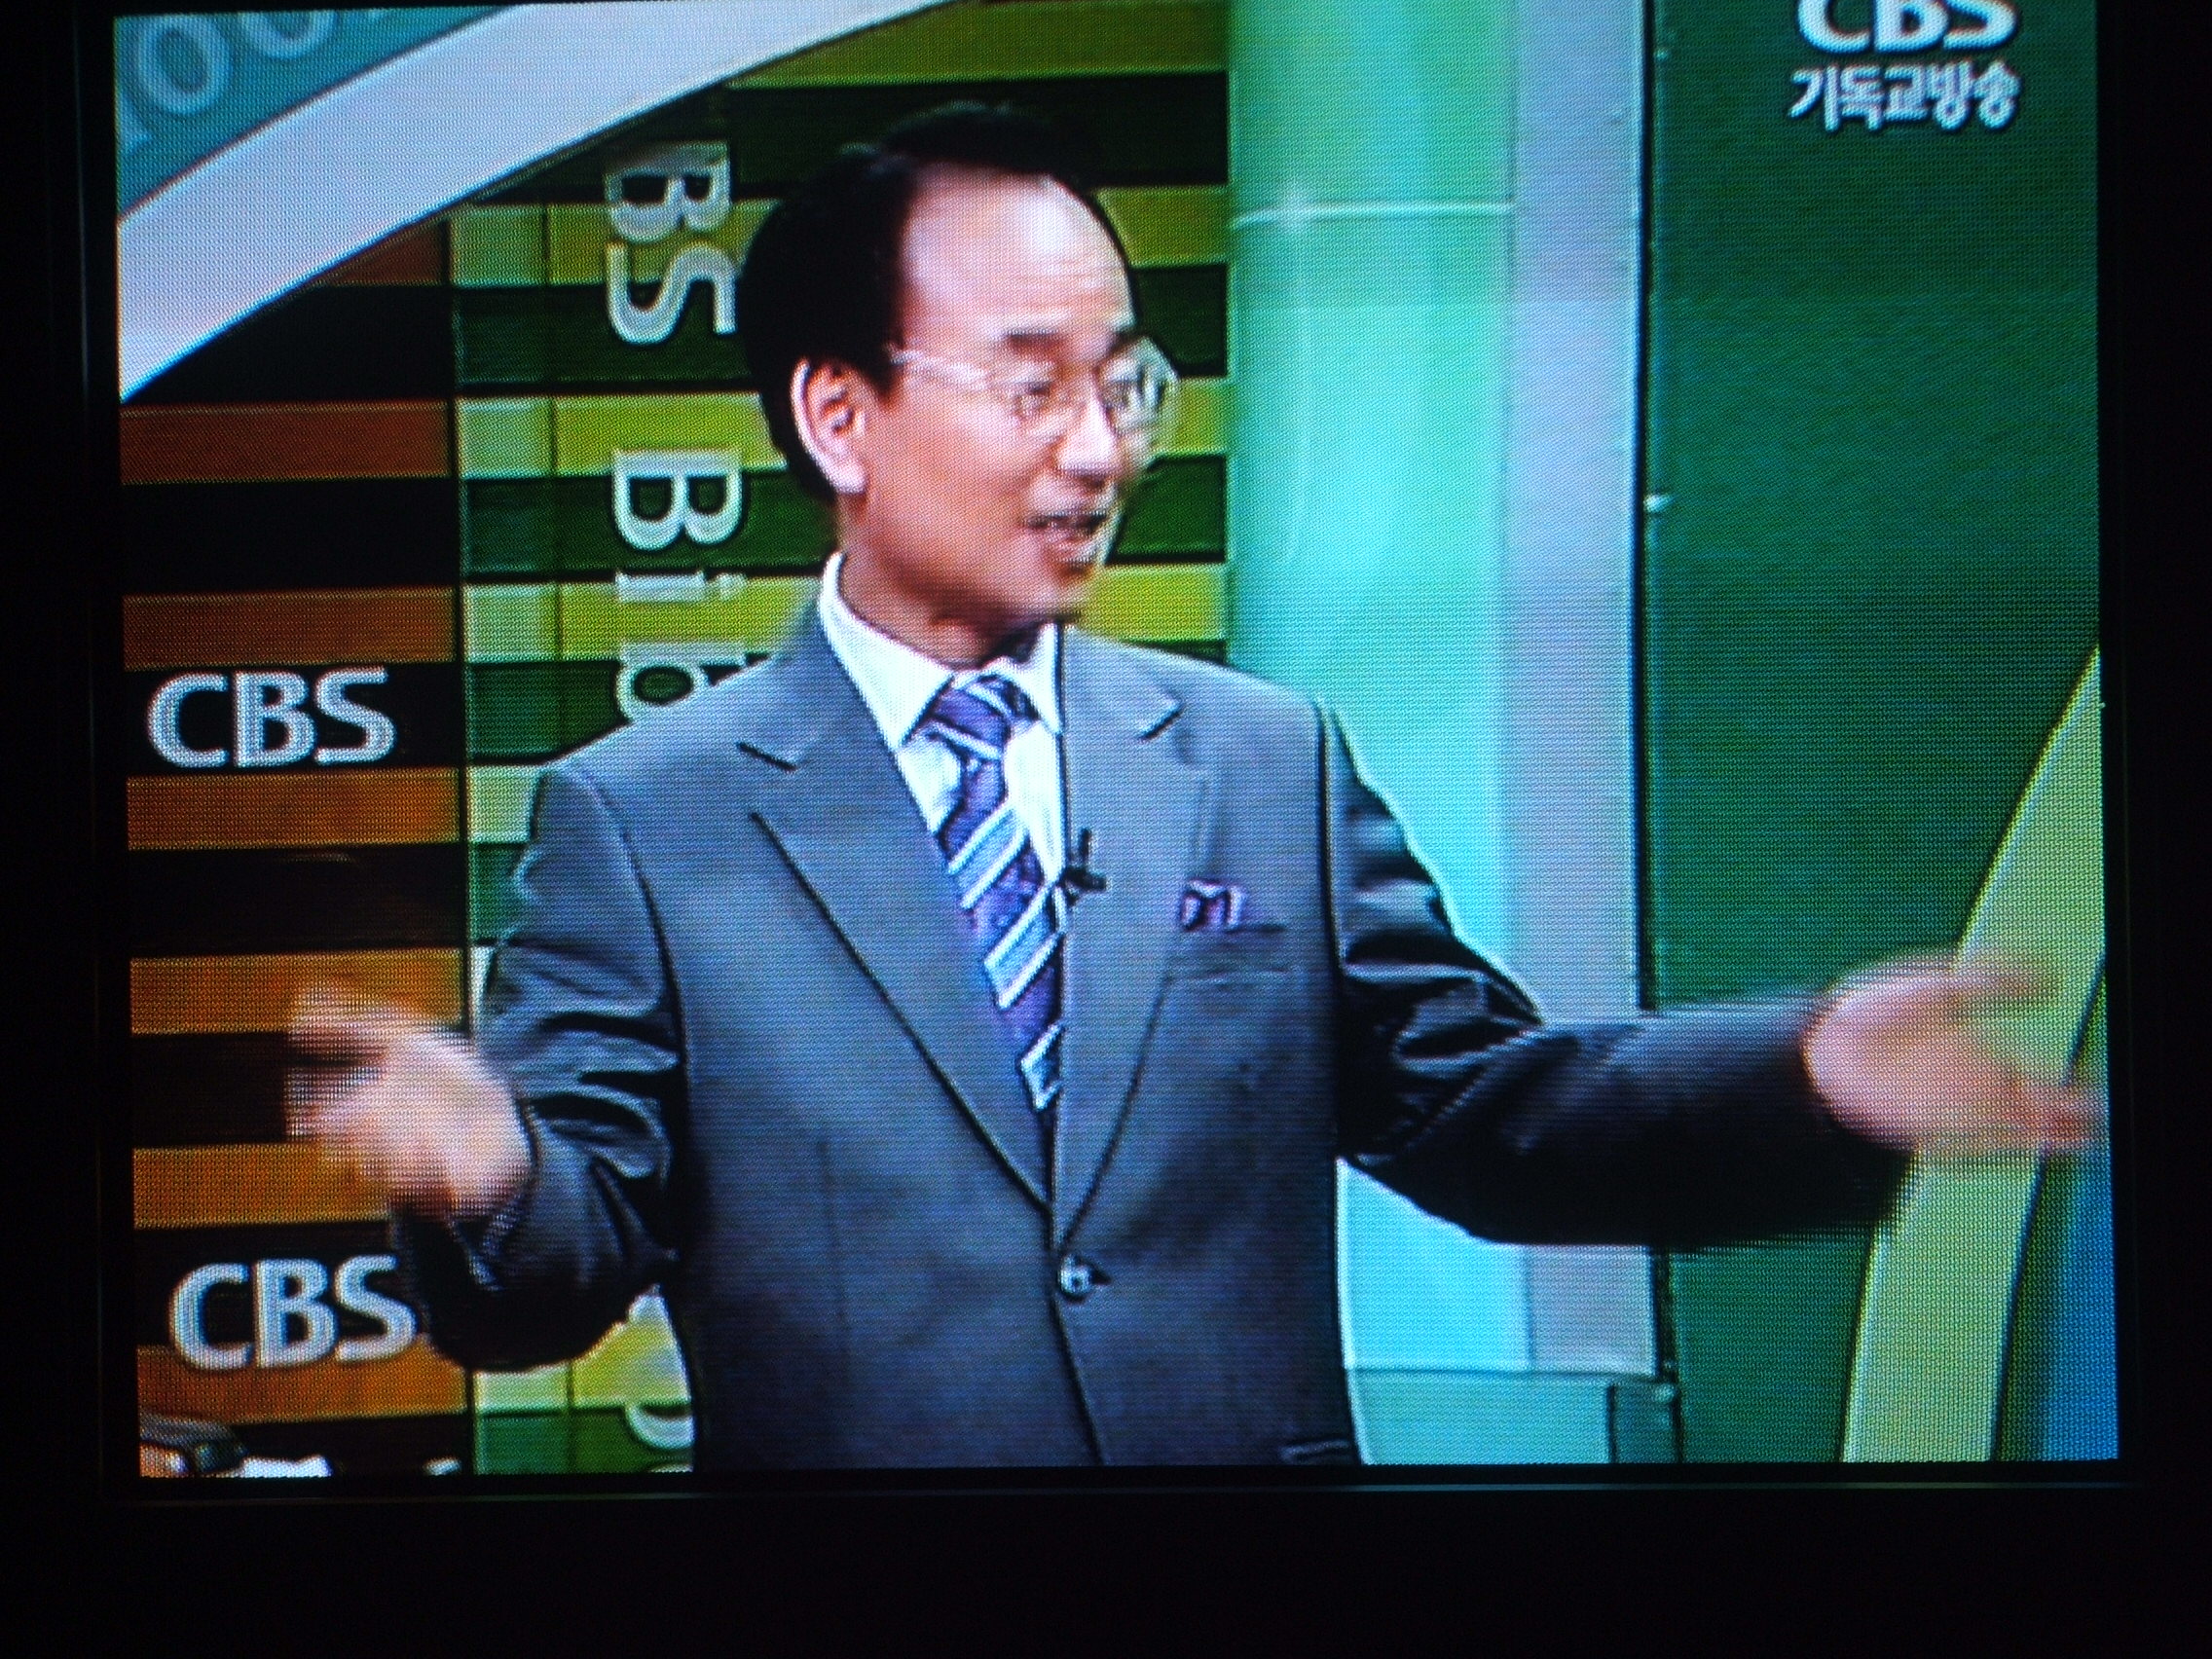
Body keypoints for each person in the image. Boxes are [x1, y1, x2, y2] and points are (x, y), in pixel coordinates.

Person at [291, 106, 2092, 1469]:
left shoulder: (1257, 763)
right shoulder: (646, 823)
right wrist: (490, 1169)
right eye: (1030, 388)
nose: (1099, 450)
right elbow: (553, 1273)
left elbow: (1489, 1112)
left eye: (1124, 383)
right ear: (839, 416)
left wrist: (1802, 1080)